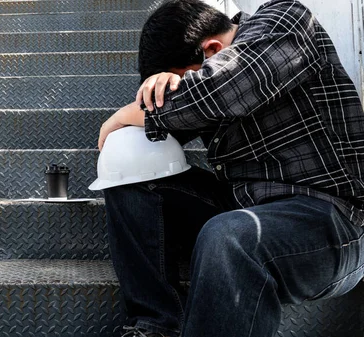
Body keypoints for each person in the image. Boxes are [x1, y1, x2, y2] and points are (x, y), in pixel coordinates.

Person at [97, 0, 364, 336]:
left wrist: (128, 114)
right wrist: (151, 106)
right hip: (242, 207)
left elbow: (223, 89)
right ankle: (156, 324)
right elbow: (165, 127)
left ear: (212, 49)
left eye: (183, 81)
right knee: (131, 177)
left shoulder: (286, 20)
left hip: (329, 221)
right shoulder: (204, 80)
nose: (183, 90)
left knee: (230, 236)